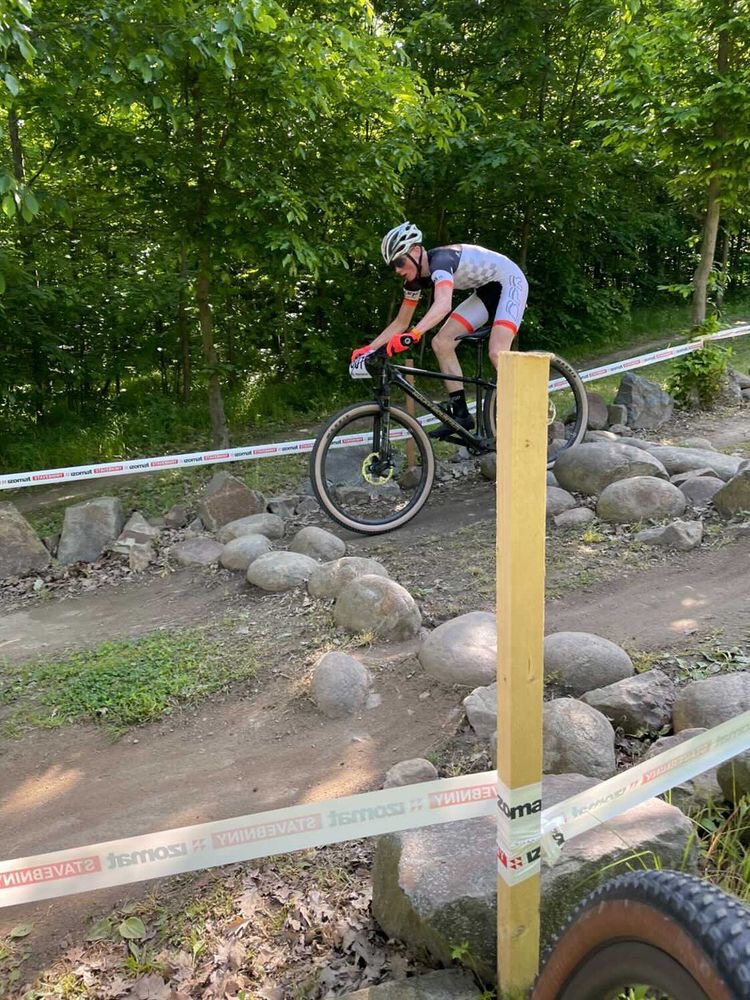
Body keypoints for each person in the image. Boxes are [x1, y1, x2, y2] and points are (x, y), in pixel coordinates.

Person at [351, 222, 529, 439]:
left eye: (399, 262)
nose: (397, 270)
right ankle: (461, 414)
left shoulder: (441, 261)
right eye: (392, 266)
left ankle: (530, 403)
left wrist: (414, 335)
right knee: (441, 343)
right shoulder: (414, 282)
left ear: (416, 251)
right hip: (486, 291)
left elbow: (443, 305)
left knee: (497, 351)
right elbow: (400, 322)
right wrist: (369, 349)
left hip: (510, 281)